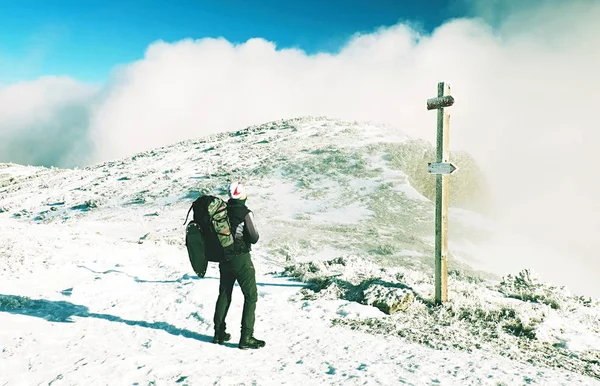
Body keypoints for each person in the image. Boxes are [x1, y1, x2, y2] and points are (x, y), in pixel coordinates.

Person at [212, 181, 266, 349]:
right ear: (243, 195)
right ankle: (246, 337)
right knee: (251, 296)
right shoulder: (245, 212)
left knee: (225, 293)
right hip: (241, 259)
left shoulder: (222, 211)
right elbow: (254, 237)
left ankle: (218, 333)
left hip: (224, 258)